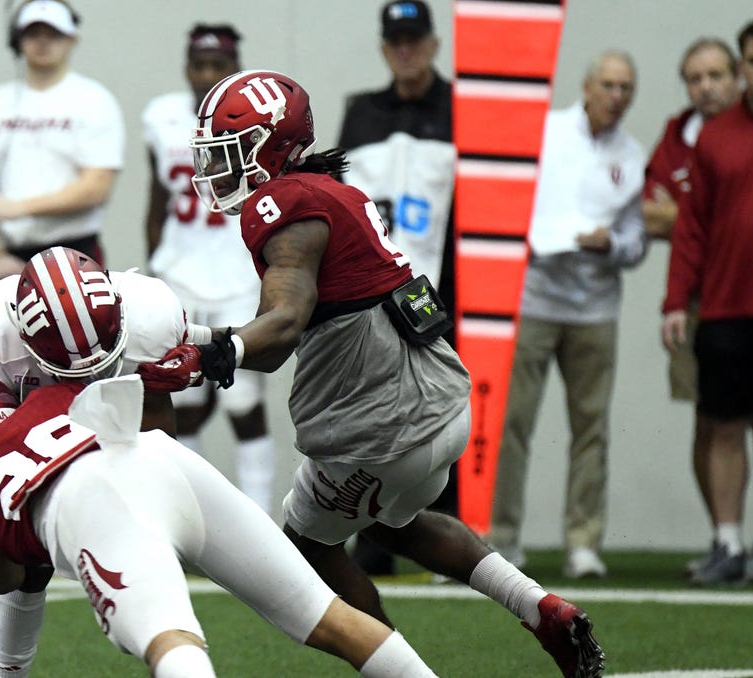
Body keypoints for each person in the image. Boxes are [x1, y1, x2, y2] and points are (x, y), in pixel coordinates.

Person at [138, 70, 604, 678]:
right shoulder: (333, 191)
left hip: (382, 423)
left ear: (271, 147)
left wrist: (205, 358)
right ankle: (540, 607)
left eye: (230, 152)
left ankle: (403, 673)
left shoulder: (281, 204)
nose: (217, 170)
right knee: (396, 523)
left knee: (309, 542)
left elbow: (280, 329)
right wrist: (201, 337)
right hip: (439, 401)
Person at [0, 250, 438, 677]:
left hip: (97, 501)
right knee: (325, 616)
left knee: (173, 642)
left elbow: (8, 576)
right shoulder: (1, 342)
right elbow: (153, 433)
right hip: (157, 460)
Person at [0, 246, 195, 676]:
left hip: (122, 417)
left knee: (151, 536)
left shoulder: (151, 313)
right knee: (24, 544)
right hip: (37, 415)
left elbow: (158, 439)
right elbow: (3, 441)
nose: (83, 372)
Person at [663, 16, 753, 589]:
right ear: (742, 65)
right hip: (725, 309)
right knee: (722, 426)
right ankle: (727, 543)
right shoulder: (716, 135)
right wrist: (676, 301)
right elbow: (691, 227)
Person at [486, 50, 646, 579]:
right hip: (532, 298)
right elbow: (504, 196)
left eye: (626, 88)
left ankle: (583, 543)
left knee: (591, 427)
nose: (616, 97)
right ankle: (502, 537)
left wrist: (612, 245)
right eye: (608, 85)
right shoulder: (544, 132)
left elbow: (637, 242)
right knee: (511, 423)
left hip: (595, 307)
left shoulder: (633, 156)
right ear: (586, 84)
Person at [337, 0, 460, 576]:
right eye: (395, 41)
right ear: (384, 48)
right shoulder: (359, 112)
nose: (405, 50)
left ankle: (448, 535)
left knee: (445, 404)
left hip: (443, 282)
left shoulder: (461, 108)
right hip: (375, 288)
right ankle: (375, 539)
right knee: (377, 411)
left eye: (414, 39)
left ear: (433, 44)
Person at [141, 23, 274, 511]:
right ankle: (191, 514)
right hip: (181, 272)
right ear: (186, 67)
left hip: (238, 276)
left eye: (218, 65)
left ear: (235, 69)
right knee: (187, 402)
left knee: (244, 405)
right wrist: (157, 272)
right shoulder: (161, 118)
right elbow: (155, 205)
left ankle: (260, 515)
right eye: (199, 64)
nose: (206, 74)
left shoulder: (257, 119)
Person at [0, 0, 123, 287]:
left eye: (53, 34)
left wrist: (19, 207)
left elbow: (96, 187)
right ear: (17, 40)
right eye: (34, 34)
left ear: (72, 40)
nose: (42, 42)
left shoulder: (94, 100)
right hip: (7, 254)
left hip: (73, 252)